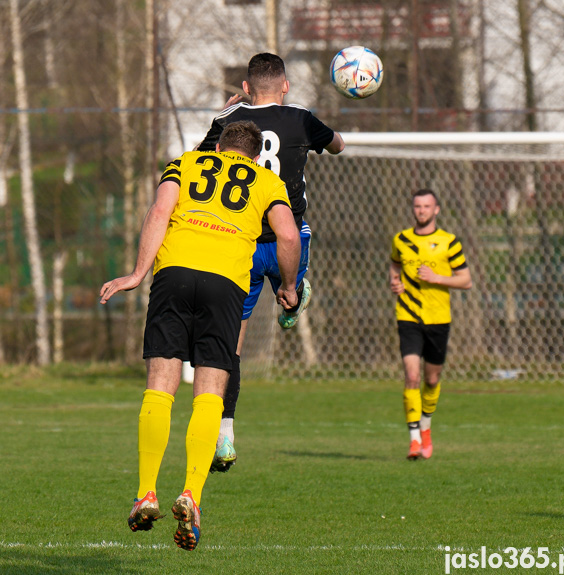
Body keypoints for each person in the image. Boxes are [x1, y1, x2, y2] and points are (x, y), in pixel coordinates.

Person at [100, 121, 300, 550]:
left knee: (160, 386)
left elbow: (159, 212)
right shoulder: (268, 180)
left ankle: (147, 491)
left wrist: (138, 273)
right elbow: (287, 234)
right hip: (226, 281)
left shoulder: (185, 163)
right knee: (210, 389)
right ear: (254, 153)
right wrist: (287, 286)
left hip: (174, 273)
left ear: (221, 145)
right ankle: (191, 492)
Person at [195, 53, 345, 472]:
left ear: (245, 88)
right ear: (286, 85)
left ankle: (225, 435)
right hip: (288, 239)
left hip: (238, 242)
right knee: (292, 289)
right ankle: (294, 296)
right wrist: (326, 133)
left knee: (232, 343)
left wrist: (222, 116)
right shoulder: (300, 117)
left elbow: (196, 162)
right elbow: (337, 146)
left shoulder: (230, 120)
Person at [389, 189, 472, 460]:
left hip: (439, 319)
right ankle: (414, 440)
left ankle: (426, 427)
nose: (421, 210)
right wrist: (395, 281)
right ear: (413, 209)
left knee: (432, 378)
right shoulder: (401, 239)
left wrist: (437, 278)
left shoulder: (449, 242)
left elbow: (465, 280)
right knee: (412, 375)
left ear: (436, 209)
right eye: (417, 206)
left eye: (426, 206)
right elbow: (394, 264)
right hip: (409, 316)